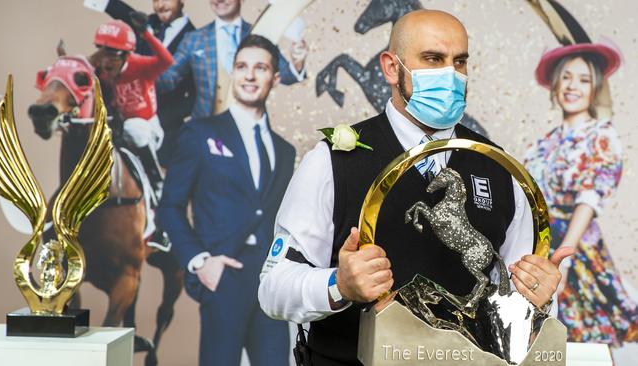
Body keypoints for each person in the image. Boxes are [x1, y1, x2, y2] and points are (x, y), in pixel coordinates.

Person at [258, 9, 574, 365]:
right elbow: (273, 289)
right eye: (433, 59)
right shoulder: (331, 161)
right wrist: (339, 285)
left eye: (460, 62)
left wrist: (541, 298)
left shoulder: (501, 169)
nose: (450, 75)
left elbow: (515, 297)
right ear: (392, 68)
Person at [158, 34, 296, 366]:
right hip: (223, 276)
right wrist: (200, 262)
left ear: (274, 78)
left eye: (260, 68)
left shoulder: (285, 150)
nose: (249, 75)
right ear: (232, 73)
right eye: (241, 66)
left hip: (271, 281)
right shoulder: (200, 134)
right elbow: (169, 207)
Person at [524, 42, 638, 346]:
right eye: (567, 77)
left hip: (577, 251)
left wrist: (565, 259)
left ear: (595, 88)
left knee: (585, 337)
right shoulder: (542, 144)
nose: (573, 86)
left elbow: (588, 201)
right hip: (543, 248)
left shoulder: (601, 135)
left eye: (584, 80)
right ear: (556, 84)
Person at [91, 18, 173, 249]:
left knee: (134, 127)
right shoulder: (101, 70)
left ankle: (157, 183)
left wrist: (146, 34)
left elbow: (167, 60)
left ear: (127, 54)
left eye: (113, 55)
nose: (106, 61)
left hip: (147, 126)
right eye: (103, 52)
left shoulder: (141, 64)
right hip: (118, 126)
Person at [85, 0, 196, 167]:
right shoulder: (144, 23)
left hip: (166, 131)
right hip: (123, 124)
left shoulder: (194, 37)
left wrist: (161, 118)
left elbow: (193, 96)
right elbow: (123, 12)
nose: (161, 6)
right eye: (156, 0)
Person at [156, 0, 309, 121]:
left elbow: (287, 76)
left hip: (249, 128)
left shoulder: (260, 34)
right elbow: (168, 78)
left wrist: (297, 61)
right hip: (204, 130)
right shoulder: (193, 39)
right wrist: (137, 75)